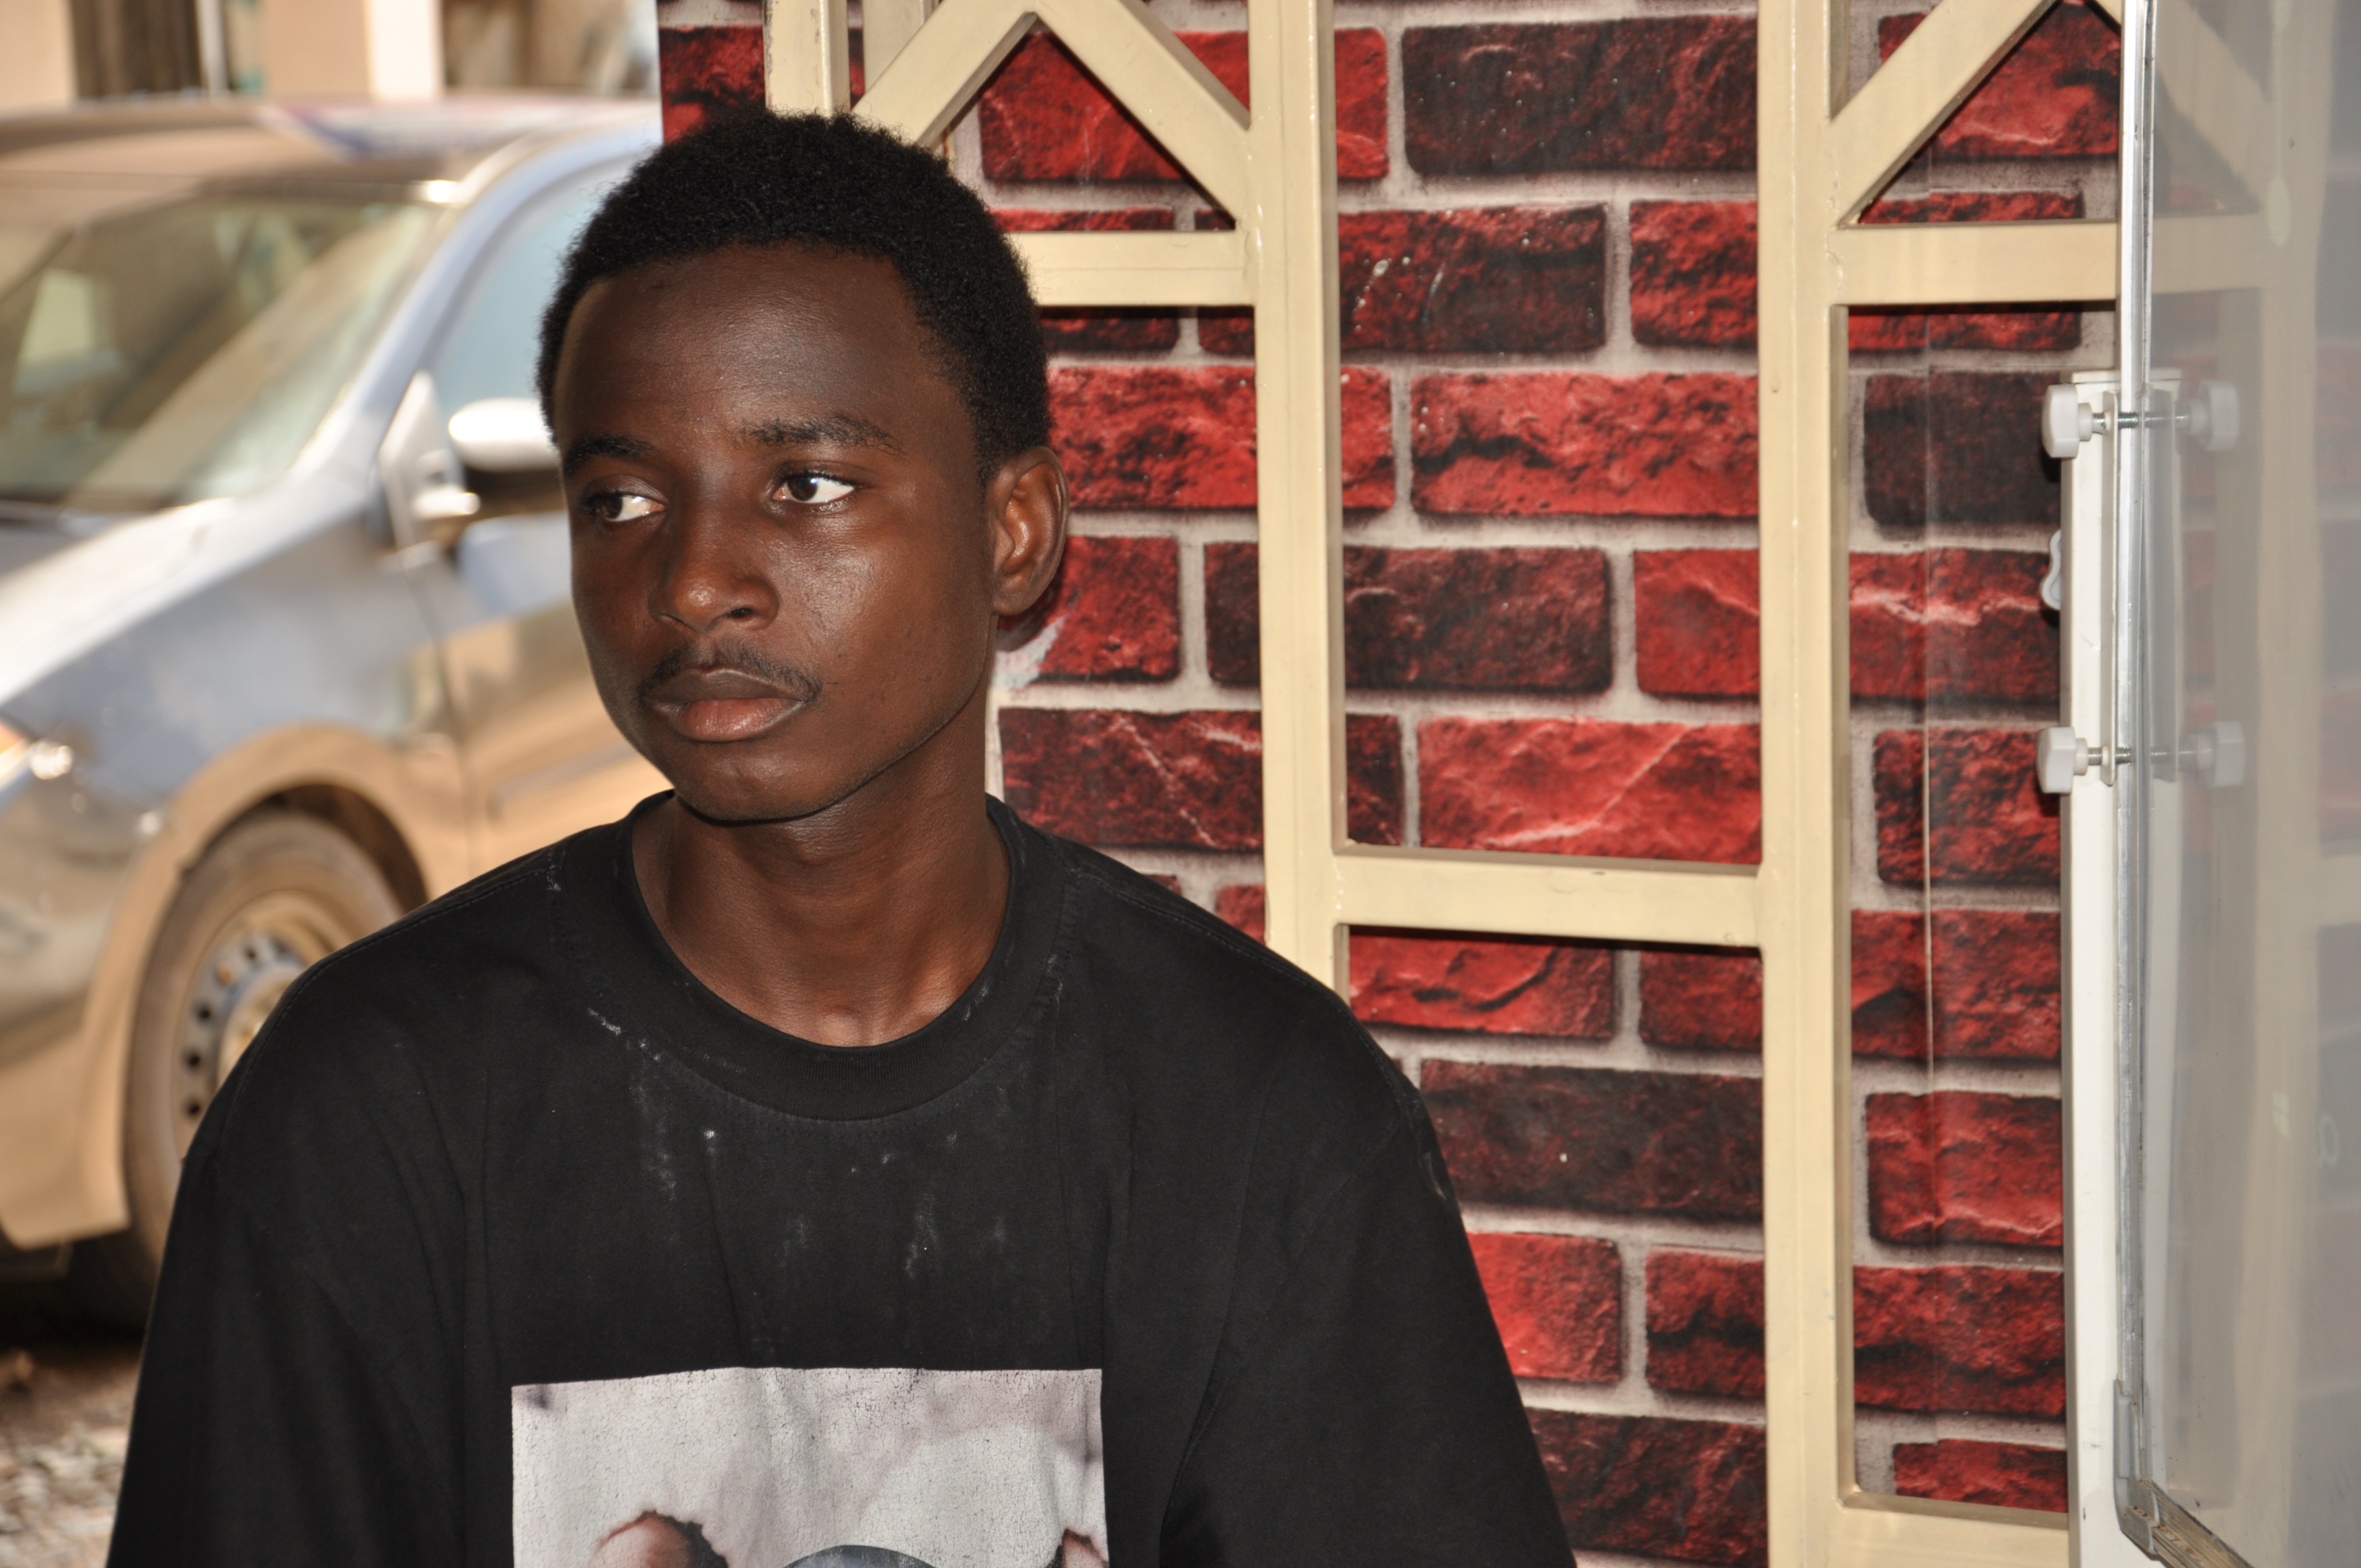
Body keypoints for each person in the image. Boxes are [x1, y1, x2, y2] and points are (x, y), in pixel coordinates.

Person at [106, 112, 1570, 1568]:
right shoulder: (367, 1112)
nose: (692, 581)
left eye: (804, 484)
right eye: (622, 498)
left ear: (1014, 533)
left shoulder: (1255, 1119)